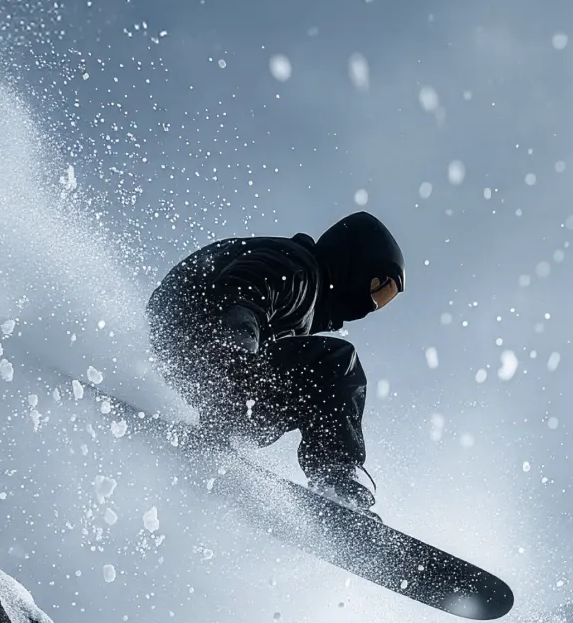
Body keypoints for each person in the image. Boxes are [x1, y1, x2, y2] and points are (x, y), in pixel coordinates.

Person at [147, 211, 405, 511]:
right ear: (354, 263)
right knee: (338, 364)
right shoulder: (298, 268)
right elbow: (240, 291)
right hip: (202, 337)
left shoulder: (306, 289)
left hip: (189, 354)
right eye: (378, 287)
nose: (373, 304)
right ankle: (336, 480)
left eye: (385, 299)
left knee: (299, 384)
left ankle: (215, 433)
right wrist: (238, 354)